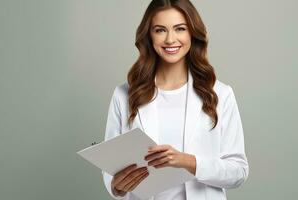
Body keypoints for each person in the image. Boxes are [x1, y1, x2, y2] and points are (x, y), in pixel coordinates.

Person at [102, 0, 249, 199]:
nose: (170, 39)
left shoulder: (220, 94)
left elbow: (238, 171)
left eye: (180, 29)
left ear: (192, 33)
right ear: (149, 36)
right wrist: (117, 187)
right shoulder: (124, 95)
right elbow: (111, 167)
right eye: (160, 30)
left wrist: (187, 161)